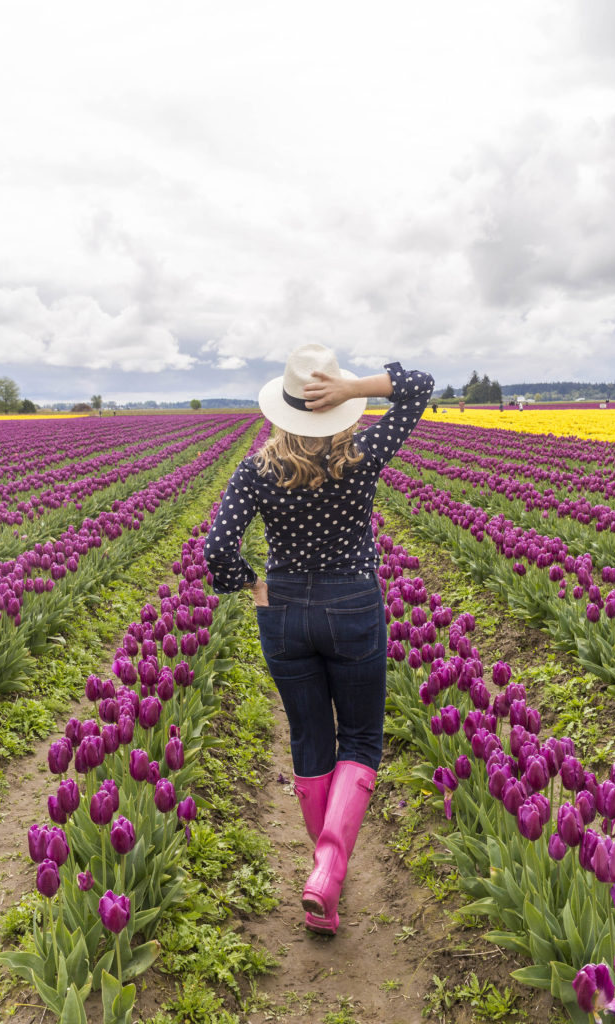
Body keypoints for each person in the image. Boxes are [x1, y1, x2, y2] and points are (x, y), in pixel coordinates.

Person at [204, 344, 434, 934]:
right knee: (360, 737)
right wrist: (354, 387)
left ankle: (321, 874)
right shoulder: (364, 454)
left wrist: (254, 587)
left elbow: (216, 549)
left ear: (279, 410)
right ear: (332, 407)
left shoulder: (257, 469)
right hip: (353, 602)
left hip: (281, 611)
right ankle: (328, 872)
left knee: (310, 735)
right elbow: (419, 384)